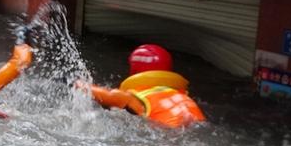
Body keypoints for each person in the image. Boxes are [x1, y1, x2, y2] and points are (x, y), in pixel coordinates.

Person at [78, 44, 206, 128]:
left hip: (167, 136)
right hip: (198, 127)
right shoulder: (180, 94)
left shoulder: (135, 97)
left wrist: (77, 83)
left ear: (135, 71)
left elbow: (107, 95)